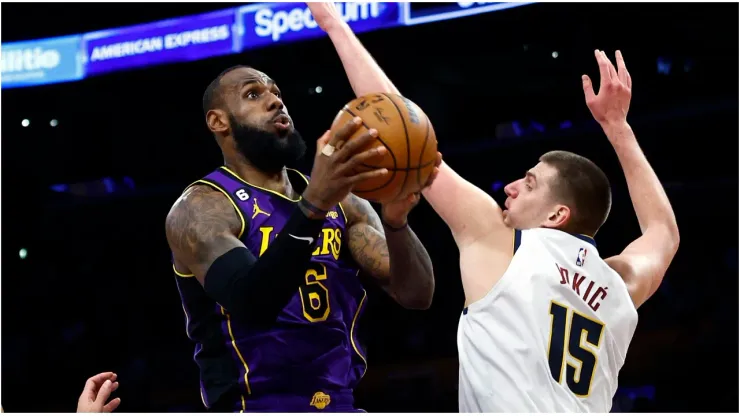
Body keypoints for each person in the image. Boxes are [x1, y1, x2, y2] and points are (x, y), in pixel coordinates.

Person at [164, 4, 440, 412]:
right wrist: (313, 206)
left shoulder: (344, 201)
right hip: (256, 405)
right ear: (218, 122)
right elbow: (251, 304)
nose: (276, 101)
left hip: (341, 402)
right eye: (254, 94)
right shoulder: (201, 208)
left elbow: (417, 294)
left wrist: (396, 222)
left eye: (277, 92)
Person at [421, 50, 680, 412]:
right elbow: (663, 232)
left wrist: (335, 26)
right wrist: (619, 129)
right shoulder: (619, 284)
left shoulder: (506, 247)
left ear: (557, 214)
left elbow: (412, 143)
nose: (510, 186)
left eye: (528, 184)